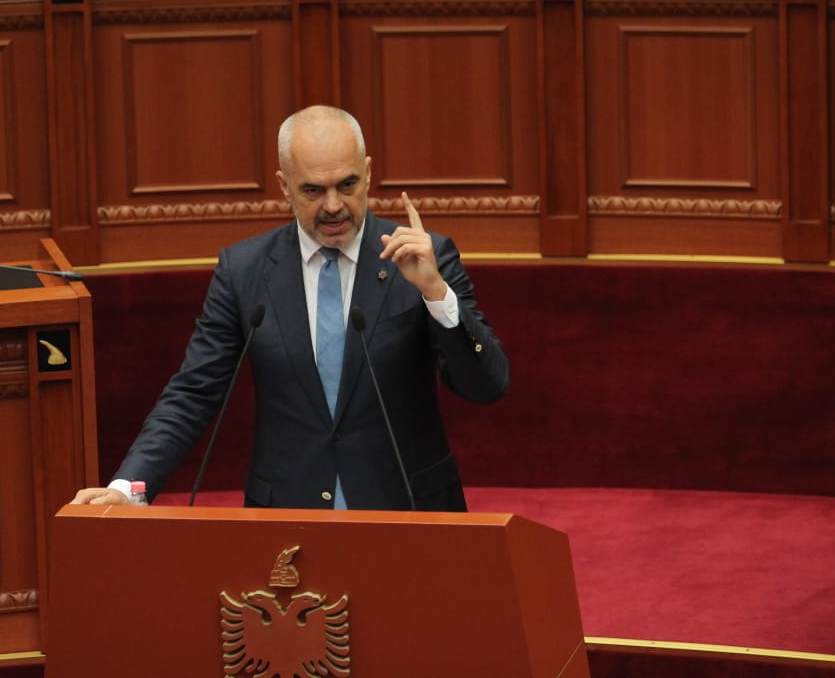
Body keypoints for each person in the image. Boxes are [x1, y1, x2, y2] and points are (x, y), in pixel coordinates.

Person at [71, 105, 509, 511]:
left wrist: (435, 292)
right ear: (284, 185)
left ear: (368, 173)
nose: (333, 206)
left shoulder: (424, 258)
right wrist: (128, 487)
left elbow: (487, 385)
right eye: (313, 190)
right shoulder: (245, 270)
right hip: (286, 518)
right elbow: (194, 391)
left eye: (347, 185)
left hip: (408, 510)